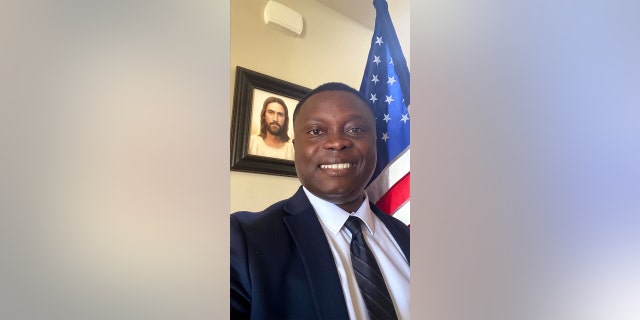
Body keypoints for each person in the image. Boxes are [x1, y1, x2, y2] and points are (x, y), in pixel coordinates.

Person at [230, 82, 410, 319]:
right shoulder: (243, 239)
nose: (337, 142)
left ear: (375, 144)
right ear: (296, 148)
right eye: (316, 131)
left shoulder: (406, 235)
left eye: (355, 129)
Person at [247, 96, 295, 160]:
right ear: (264, 115)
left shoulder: (293, 148)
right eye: (271, 112)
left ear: (285, 119)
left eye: (280, 114)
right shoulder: (251, 142)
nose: (275, 119)